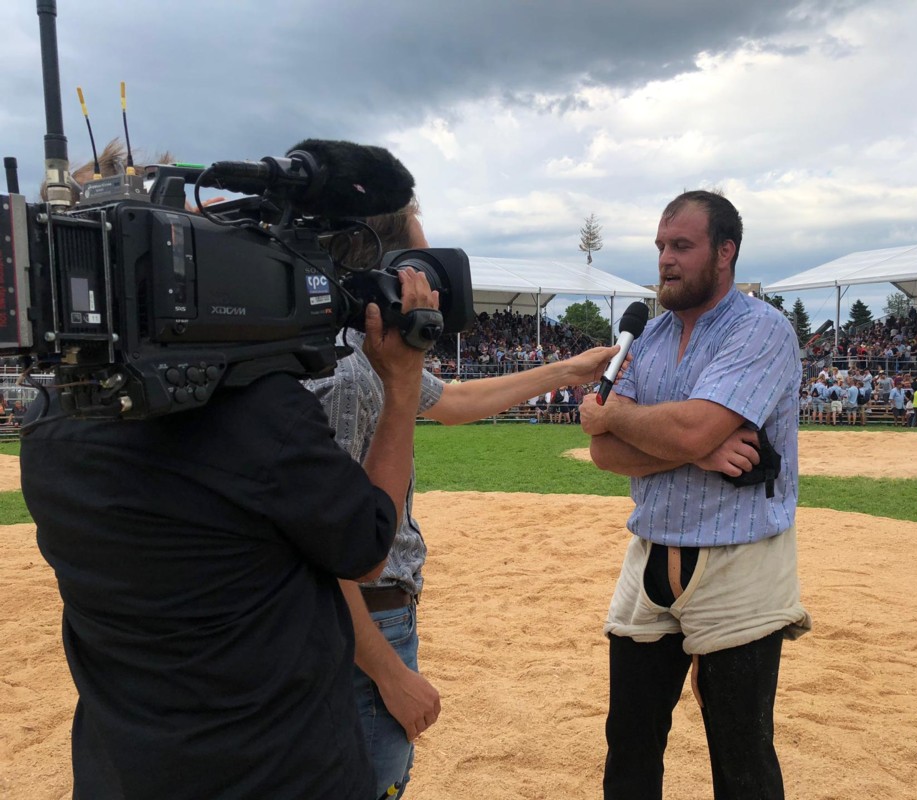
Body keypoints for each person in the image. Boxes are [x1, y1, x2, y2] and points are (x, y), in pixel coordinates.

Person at [21, 264, 437, 798]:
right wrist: (402, 384)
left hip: (123, 767)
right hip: (275, 771)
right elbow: (369, 547)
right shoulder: (263, 417)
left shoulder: (48, 421)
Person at [306, 201, 620, 799]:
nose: (429, 289)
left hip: (374, 617)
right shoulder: (346, 372)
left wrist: (567, 371)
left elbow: (453, 402)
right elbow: (326, 553)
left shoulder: (371, 350)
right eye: (418, 269)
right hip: (365, 624)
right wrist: (388, 673)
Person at [579, 190, 810, 800]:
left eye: (682, 246)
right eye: (661, 245)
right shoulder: (646, 338)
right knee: (629, 744)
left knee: (741, 757)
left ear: (725, 252)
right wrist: (698, 448)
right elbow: (604, 453)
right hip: (650, 552)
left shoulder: (760, 329)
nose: (665, 259)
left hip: (740, 561)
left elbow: (677, 427)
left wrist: (619, 416)